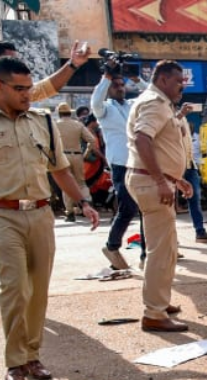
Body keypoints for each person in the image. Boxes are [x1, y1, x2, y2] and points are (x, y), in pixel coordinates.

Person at [0, 56, 100, 380]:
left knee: (39, 290)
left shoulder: (43, 121)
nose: (27, 95)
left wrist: (84, 201)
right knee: (15, 287)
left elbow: (59, 169)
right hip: (2, 214)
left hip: (42, 213)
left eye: (29, 89)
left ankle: (32, 355)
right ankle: (15, 361)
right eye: (19, 89)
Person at [126, 60, 194, 333]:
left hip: (157, 180)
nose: (182, 86)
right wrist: (160, 179)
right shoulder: (155, 102)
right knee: (160, 251)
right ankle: (154, 312)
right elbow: (144, 140)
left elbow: (161, 147)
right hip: (151, 182)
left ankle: (160, 302)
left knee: (166, 248)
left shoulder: (160, 103)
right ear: (163, 79)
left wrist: (175, 179)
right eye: (178, 81)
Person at [92, 61, 149, 270]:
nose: (120, 87)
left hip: (139, 162)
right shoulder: (105, 109)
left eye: (121, 84)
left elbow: (152, 95)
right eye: (115, 85)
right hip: (120, 164)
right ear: (108, 89)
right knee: (127, 208)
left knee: (146, 209)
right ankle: (112, 246)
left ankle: (146, 255)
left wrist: (136, 78)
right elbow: (96, 100)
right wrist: (106, 77)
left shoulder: (133, 105)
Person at [0, 40, 91, 109]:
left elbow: (45, 88)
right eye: (11, 60)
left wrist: (73, 64)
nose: (17, 64)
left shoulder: (11, 90)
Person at [178, 104, 207, 243]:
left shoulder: (184, 121)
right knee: (167, 206)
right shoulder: (168, 118)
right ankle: (171, 239)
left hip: (190, 166)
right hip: (174, 167)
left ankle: (200, 232)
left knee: (195, 199)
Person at [55, 102, 100, 222]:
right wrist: (85, 154)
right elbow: (91, 140)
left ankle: (69, 213)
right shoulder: (78, 125)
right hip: (77, 155)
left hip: (62, 156)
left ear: (59, 113)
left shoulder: (55, 125)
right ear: (70, 112)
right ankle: (87, 201)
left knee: (66, 185)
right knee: (81, 183)